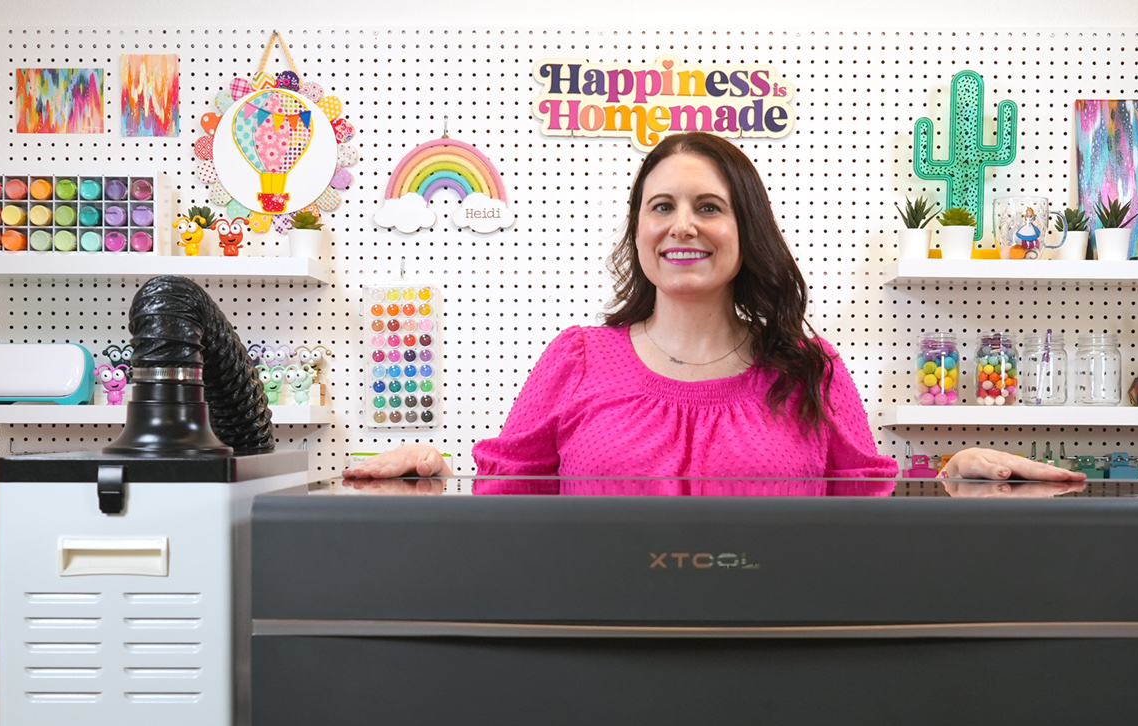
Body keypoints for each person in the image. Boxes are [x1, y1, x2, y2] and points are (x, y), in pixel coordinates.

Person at [345, 132, 1082, 486]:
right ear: (639, 229)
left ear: (744, 228)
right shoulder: (575, 358)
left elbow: (869, 506)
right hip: (598, 661)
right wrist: (429, 475)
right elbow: (506, 501)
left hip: (776, 666)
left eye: (709, 207)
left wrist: (957, 474)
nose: (683, 226)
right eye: (661, 206)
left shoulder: (810, 368)